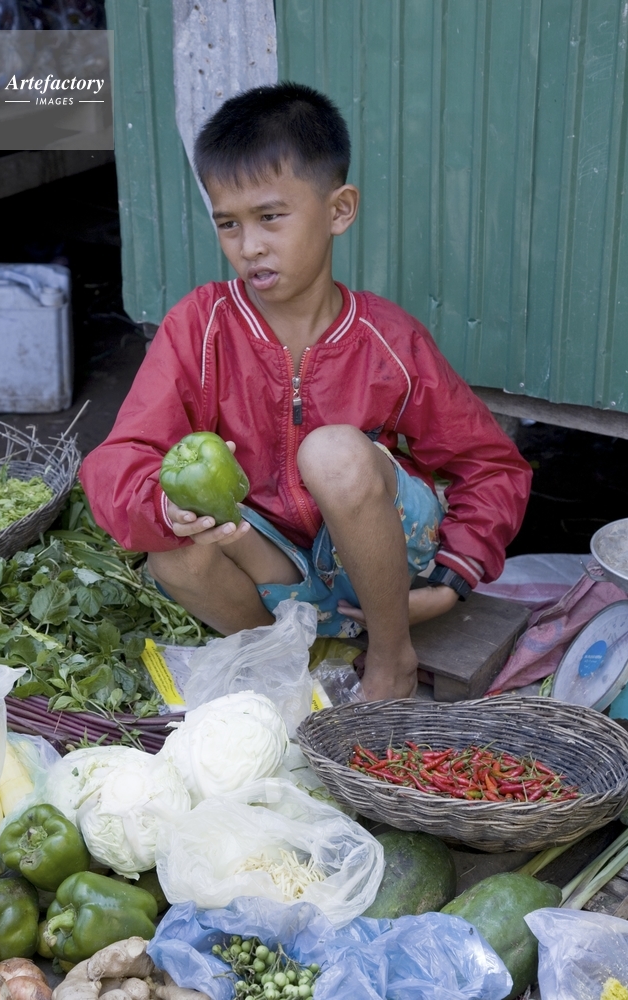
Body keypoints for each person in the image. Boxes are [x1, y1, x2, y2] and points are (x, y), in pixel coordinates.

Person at [80, 82, 532, 701]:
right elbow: (119, 456)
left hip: (383, 565)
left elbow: (491, 466)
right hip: (272, 567)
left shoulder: (389, 339)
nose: (249, 246)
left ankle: (391, 659)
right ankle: (293, 659)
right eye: (229, 224)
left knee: (333, 454)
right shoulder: (201, 327)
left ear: (339, 210)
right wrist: (167, 511)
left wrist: (455, 575)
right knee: (174, 556)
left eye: (270, 217)